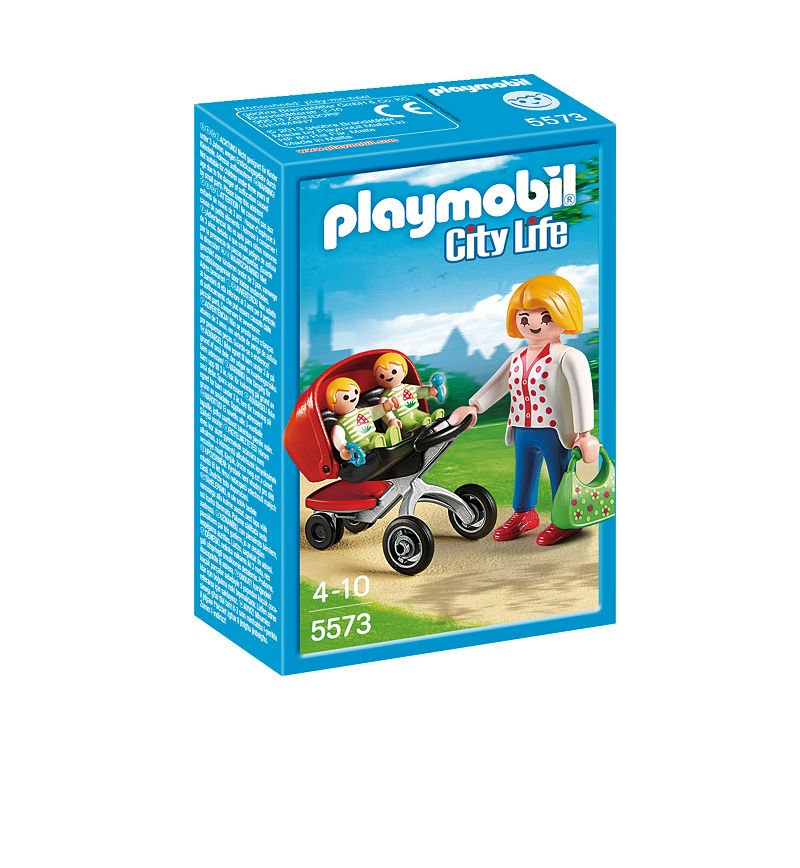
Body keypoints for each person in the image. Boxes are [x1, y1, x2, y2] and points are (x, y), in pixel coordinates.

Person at [449, 275, 599, 545]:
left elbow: (582, 394)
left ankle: (565, 519)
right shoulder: (516, 357)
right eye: (524, 317)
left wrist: (585, 433)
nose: (534, 324)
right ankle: (524, 514)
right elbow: (497, 384)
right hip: (521, 428)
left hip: (555, 430)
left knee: (561, 474)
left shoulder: (568, 356)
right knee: (525, 472)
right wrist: (474, 406)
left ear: (564, 314)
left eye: (545, 316)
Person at [326, 377, 401, 463]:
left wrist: (385, 407)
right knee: (378, 440)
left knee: (382, 437)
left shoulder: (364, 411)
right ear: (332, 404)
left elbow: (374, 412)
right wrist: (343, 448)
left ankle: (393, 440)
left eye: (355, 392)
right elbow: (338, 437)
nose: (352, 396)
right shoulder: (339, 425)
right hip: (361, 448)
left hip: (374, 435)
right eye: (346, 397)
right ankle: (383, 451)